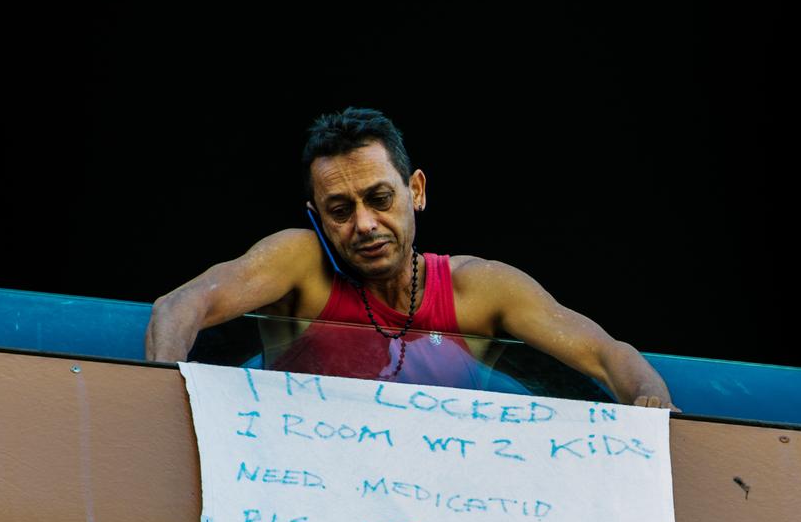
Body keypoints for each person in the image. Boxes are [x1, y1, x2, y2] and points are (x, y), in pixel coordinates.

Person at [145, 107, 677, 409]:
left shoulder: (478, 288)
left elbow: (607, 355)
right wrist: (157, 401)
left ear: (415, 190)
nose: (365, 224)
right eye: (340, 210)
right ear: (316, 216)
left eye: (380, 199)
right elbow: (181, 306)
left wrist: (652, 400)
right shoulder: (302, 265)